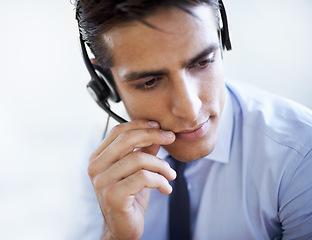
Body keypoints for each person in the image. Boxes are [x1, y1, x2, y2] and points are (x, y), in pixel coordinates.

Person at [74, 0, 312, 239]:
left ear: (222, 39)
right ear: (107, 83)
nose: (190, 110)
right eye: (150, 82)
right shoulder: (106, 158)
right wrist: (115, 235)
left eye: (203, 62)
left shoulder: (300, 155)